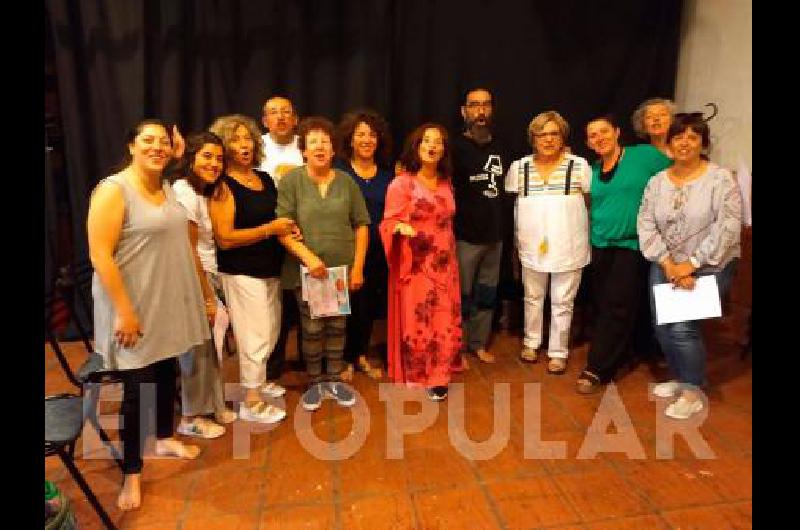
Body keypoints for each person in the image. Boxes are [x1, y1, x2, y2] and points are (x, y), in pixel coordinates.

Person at [88, 119, 207, 510]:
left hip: (165, 303)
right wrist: (124, 312)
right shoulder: (113, 190)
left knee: (165, 372)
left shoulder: (164, 185)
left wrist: (175, 158)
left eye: (162, 141)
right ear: (131, 146)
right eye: (147, 141)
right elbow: (100, 255)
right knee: (137, 392)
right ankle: (132, 473)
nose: (156, 147)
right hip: (132, 307)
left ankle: (164, 437)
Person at [638, 112, 742, 419]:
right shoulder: (657, 182)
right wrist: (669, 264)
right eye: (678, 137)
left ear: (703, 143)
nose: (685, 143)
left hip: (712, 263)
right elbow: (645, 223)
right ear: (669, 145)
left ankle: (693, 390)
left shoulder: (720, 179)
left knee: (683, 328)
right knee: (661, 327)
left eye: (692, 137)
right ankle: (682, 377)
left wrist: (692, 265)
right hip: (666, 262)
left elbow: (728, 228)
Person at [276, 116, 370, 412]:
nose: (320, 147)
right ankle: (315, 383)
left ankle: (334, 379)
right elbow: (283, 227)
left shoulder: (346, 182)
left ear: (333, 150)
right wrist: (308, 257)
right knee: (312, 329)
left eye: (325, 142)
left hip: (340, 271)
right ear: (303, 150)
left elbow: (362, 225)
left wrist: (357, 268)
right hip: (306, 272)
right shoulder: (292, 181)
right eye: (313, 142)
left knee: (337, 328)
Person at [208, 114, 296, 423]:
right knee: (254, 336)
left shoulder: (265, 178)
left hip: (270, 268)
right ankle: (251, 400)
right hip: (242, 271)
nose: (243, 145)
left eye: (247, 138)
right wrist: (271, 228)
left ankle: (259, 383)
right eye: (235, 139)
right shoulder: (223, 185)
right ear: (223, 146)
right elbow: (225, 238)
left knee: (271, 331)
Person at [576, 114, 672, 394]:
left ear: (617, 132)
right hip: (600, 244)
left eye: (604, 131)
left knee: (617, 304)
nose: (599, 138)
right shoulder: (592, 170)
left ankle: (598, 367)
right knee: (606, 303)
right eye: (593, 135)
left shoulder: (644, 156)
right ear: (588, 143)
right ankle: (631, 351)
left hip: (632, 246)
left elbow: (676, 172)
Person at [379, 123, 463, 402]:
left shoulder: (445, 180)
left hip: (445, 262)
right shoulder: (401, 183)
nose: (432, 146)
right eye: (426, 141)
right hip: (415, 263)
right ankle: (419, 373)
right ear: (416, 147)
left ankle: (440, 371)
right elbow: (388, 221)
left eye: (438, 142)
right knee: (420, 318)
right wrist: (399, 228)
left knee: (443, 316)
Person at [505, 111, 591, 374]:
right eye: (542, 134)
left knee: (563, 300)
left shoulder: (579, 166)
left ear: (562, 136)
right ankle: (531, 342)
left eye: (554, 133)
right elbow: (512, 203)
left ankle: (558, 351)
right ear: (533, 138)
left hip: (568, 245)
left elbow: (589, 201)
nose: (548, 139)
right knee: (532, 296)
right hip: (531, 245)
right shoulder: (520, 168)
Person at [172, 131, 238, 438]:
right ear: (191, 158)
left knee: (211, 347)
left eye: (219, 159)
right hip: (193, 279)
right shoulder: (184, 190)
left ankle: (213, 405)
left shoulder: (201, 192)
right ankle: (191, 416)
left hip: (208, 274)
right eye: (206, 156)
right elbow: (188, 250)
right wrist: (208, 295)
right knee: (197, 349)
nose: (214, 164)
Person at [335, 109, 394, 380]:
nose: (367, 140)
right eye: (361, 134)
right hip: (346, 250)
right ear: (350, 139)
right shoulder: (339, 173)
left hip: (378, 252)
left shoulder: (387, 176)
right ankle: (343, 358)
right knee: (344, 307)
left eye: (372, 135)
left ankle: (359, 355)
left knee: (368, 307)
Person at [451, 88, 508, 365]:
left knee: (487, 293)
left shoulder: (502, 146)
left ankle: (478, 343)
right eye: (474, 106)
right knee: (461, 296)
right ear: (464, 111)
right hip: (464, 237)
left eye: (486, 105)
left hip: (495, 236)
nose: (481, 111)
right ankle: (457, 348)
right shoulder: (453, 148)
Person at [259, 95, 305, 385]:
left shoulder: (306, 144)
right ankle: (271, 363)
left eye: (286, 112)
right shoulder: (257, 147)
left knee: (303, 296)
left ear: (295, 118)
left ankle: (306, 357)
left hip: (302, 232)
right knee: (271, 303)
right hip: (266, 233)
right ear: (264, 121)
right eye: (273, 113)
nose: (280, 118)